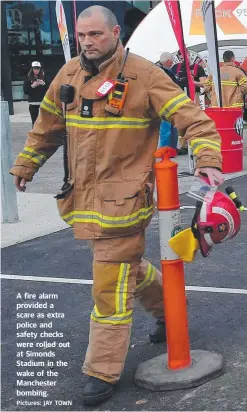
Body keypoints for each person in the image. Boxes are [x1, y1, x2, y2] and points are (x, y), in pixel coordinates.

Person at [10, 6, 224, 407]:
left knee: (108, 286)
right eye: (82, 36)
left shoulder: (144, 75)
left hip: (124, 204)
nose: (87, 42)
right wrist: (27, 163)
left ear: (115, 33)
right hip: (83, 201)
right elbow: (47, 126)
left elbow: (195, 120)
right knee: (127, 269)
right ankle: (168, 312)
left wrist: (208, 161)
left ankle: (101, 370)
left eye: (95, 34)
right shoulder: (69, 74)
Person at [171, 50, 207, 154]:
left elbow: (203, 83)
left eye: (184, 56)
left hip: (193, 97)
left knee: (194, 120)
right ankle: (183, 145)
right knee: (180, 121)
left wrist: (192, 82)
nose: (182, 59)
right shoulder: (176, 68)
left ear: (188, 55)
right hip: (179, 97)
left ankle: (195, 143)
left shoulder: (197, 68)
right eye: (181, 58)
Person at [157, 52, 181, 150]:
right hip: (165, 102)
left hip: (170, 101)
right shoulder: (160, 71)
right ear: (167, 61)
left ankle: (171, 148)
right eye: (171, 62)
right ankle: (164, 149)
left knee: (172, 127)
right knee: (166, 127)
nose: (172, 64)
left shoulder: (163, 70)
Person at [23, 61, 48, 127]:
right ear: (32, 69)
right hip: (33, 103)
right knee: (34, 121)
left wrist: (44, 84)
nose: (36, 70)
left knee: (44, 120)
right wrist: (32, 86)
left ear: (40, 69)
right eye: (35, 68)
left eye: (38, 68)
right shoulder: (28, 78)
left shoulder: (44, 77)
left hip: (42, 102)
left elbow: (49, 89)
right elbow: (25, 91)